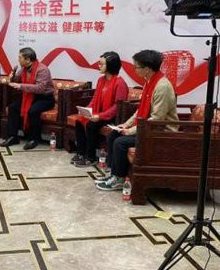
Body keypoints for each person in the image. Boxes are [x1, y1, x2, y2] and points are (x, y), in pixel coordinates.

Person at [96, 49, 178, 191]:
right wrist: (126, 125)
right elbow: (140, 111)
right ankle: (113, 174)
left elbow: (156, 119)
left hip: (160, 131)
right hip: (148, 127)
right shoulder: (149, 82)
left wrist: (131, 131)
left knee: (120, 142)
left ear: (147, 69)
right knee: (113, 134)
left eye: (136, 67)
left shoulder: (162, 87)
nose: (134, 70)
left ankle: (119, 179)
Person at [71, 52, 129, 167]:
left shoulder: (120, 83)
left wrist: (100, 116)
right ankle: (81, 153)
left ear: (111, 65)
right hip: (98, 112)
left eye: (102, 64)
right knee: (79, 121)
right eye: (99, 63)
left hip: (111, 117)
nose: (99, 66)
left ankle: (91, 157)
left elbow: (117, 107)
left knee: (91, 125)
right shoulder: (101, 80)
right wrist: (86, 110)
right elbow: (94, 99)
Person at [0, 47, 54, 150]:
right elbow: (17, 80)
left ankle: (34, 139)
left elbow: (40, 88)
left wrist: (21, 86)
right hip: (29, 96)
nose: (18, 60)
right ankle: (13, 137)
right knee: (13, 107)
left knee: (33, 111)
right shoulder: (23, 69)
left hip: (44, 98)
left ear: (28, 59)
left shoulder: (42, 69)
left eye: (20, 58)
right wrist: (12, 77)